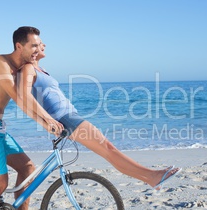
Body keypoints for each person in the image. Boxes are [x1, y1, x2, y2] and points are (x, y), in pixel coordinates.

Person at [18, 40, 182, 191]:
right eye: (37, 44)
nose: (43, 45)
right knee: (108, 149)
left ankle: (150, 178)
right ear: (26, 47)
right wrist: (47, 119)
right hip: (64, 118)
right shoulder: (28, 68)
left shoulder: (42, 69)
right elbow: (25, 96)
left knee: (108, 150)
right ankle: (152, 176)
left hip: (69, 115)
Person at [0, 27, 63, 210]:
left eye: (39, 45)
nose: (38, 49)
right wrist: (48, 119)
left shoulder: (22, 69)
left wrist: (46, 124)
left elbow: (27, 102)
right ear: (19, 46)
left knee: (27, 170)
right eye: (33, 45)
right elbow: (20, 98)